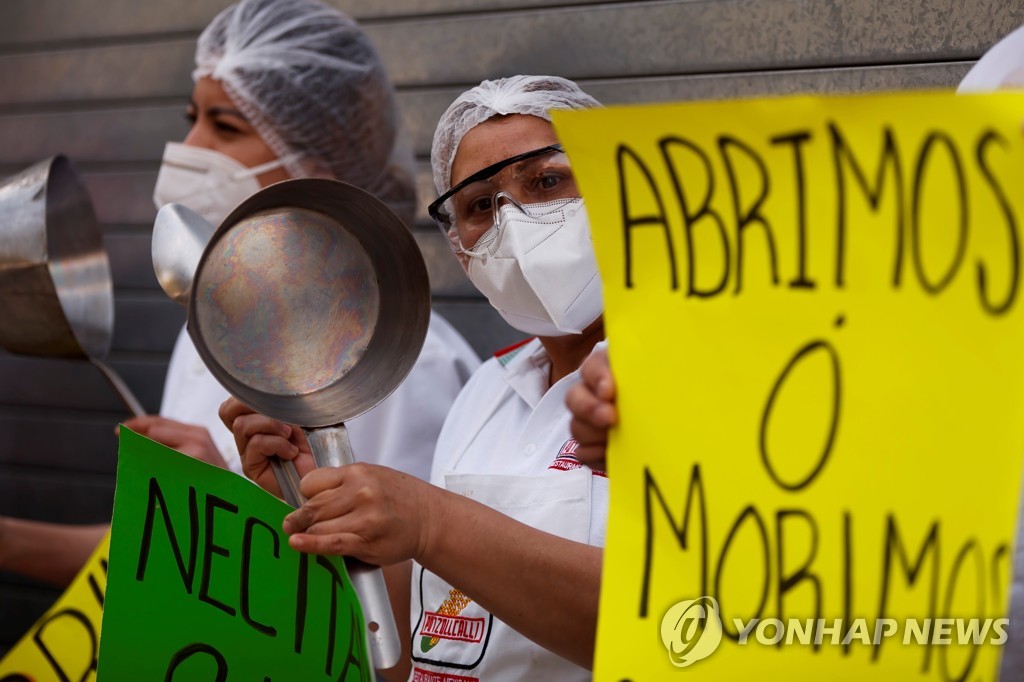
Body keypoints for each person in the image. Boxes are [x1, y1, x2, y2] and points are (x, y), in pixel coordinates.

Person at [0, 0, 479, 589]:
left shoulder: (395, 359)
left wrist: (231, 504)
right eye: (191, 117)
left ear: (319, 158)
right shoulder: (211, 315)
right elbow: (159, 550)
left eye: (225, 126)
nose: (189, 147)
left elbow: (417, 606)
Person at [221, 75, 609, 680]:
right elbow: (430, 644)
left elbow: (687, 627)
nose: (514, 218)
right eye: (480, 204)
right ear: (458, 245)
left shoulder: (693, 376)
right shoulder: (487, 392)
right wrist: (315, 506)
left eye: (547, 181)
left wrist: (431, 521)